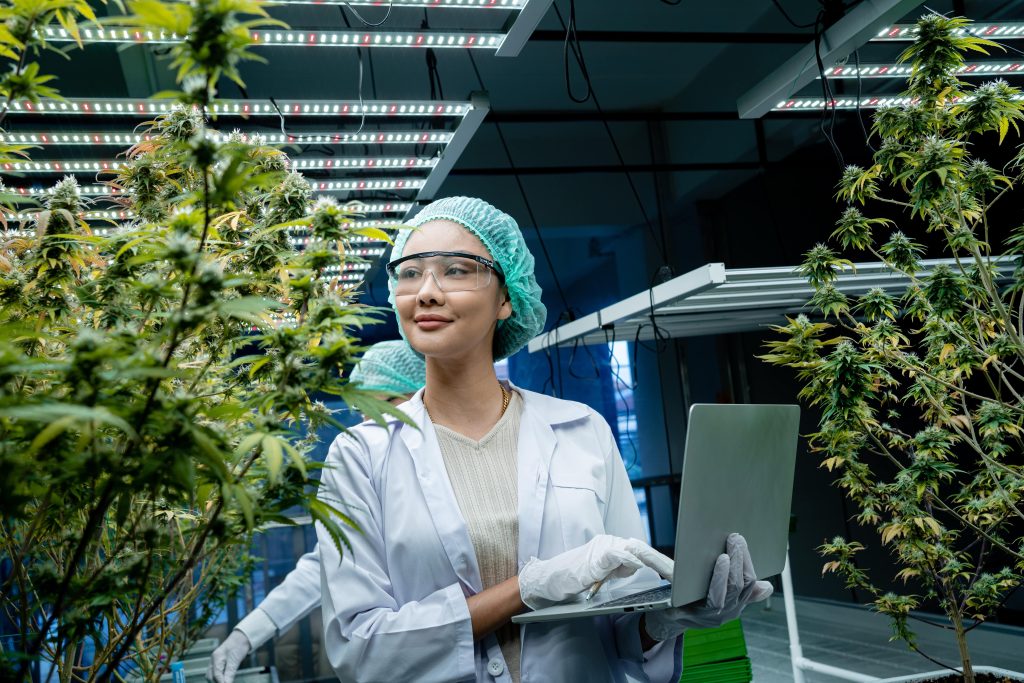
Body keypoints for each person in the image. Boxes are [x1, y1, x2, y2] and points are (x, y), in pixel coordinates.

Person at [316, 196, 773, 683]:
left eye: (455, 270)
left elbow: (620, 626)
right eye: (409, 272)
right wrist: (528, 587)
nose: (425, 292)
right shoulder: (360, 455)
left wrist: (665, 620)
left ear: (506, 297)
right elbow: (361, 649)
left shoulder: (582, 430)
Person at [206, 340, 427, 683]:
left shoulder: (452, 463)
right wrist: (246, 635)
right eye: (362, 410)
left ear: (418, 395)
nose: (369, 421)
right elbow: (328, 559)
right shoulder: (368, 468)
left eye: (382, 405)